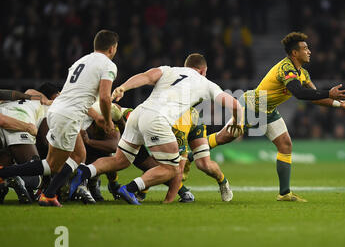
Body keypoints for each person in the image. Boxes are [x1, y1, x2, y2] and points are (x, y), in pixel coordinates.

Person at [193, 32, 345, 202]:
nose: (309, 51)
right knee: (225, 137)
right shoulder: (286, 69)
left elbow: (315, 96)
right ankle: (191, 156)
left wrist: (339, 104)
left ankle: (284, 193)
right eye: (305, 48)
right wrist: (329, 93)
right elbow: (300, 93)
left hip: (268, 109)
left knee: (285, 145)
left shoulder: (303, 73)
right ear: (294, 53)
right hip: (253, 105)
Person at [70, 53, 243, 205]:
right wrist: (237, 120)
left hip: (139, 113)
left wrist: (123, 87)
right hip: (157, 120)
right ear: (203, 70)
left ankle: (84, 171)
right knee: (172, 169)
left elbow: (146, 76)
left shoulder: (170, 70)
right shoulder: (206, 83)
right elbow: (234, 104)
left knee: (120, 160)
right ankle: (130, 189)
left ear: (186, 66)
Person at [0, 29, 119, 207]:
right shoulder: (108, 65)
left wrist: (96, 116)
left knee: (78, 155)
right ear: (112, 48)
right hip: (69, 116)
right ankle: (8, 175)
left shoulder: (82, 61)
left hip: (57, 110)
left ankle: (48, 194)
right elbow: (104, 97)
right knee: (54, 164)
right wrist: (108, 121)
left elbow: (75, 94)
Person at [0, 83, 60, 203]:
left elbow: (30, 91)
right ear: (54, 97)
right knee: (36, 175)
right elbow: (45, 140)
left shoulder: (26, 97)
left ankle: (5, 181)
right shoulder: (50, 107)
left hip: (4, 114)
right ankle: (13, 178)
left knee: (4, 165)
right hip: (21, 120)